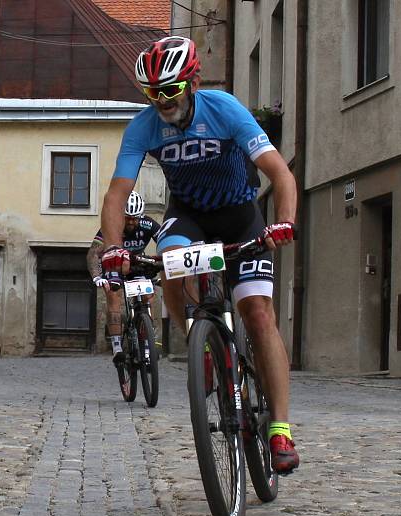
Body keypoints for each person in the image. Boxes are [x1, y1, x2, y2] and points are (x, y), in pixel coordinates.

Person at [99, 36, 299, 474]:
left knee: (258, 313)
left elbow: (280, 173)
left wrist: (282, 222)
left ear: (192, 82)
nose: (161, 102)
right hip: (189, 216)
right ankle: (197, 337)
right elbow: (117, 195)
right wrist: (113, 248)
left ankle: (280, 428)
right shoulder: (144, 126)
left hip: (239, 216)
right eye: (152, 93)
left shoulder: (223, 109)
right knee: (169, 262)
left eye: (169, 91)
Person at [87, 191, 161, 363]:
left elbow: (165, 243)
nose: (131, 222)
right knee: (114, 296)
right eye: (127, 218)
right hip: (114, 265)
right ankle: (117, 346)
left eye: (135, 218)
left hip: (136, 265)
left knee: (148, 297)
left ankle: (147, 340)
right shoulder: (111, 225)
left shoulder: (148, 224)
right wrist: (97, 277)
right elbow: (92, 254)